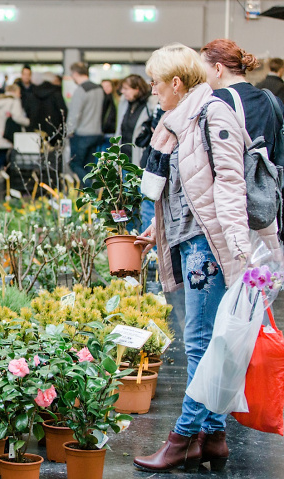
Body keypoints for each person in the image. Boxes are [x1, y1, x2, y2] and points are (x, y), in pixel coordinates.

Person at [132, 43, 279, 474]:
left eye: (157, 84)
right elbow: (185, 191)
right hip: (190, 242)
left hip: (209, 247)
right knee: (210, 341)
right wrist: (155, 230)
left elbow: (230, 184)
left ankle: (180, 439)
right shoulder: (180, 120)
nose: (153, 92)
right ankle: (211, 439)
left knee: (200, 342)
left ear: (177, 83)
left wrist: (239, 249)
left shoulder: (212, 115)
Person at [201, 39, 284, 166]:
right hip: (268, 182)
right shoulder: (272, 101)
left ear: (218, 68)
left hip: (229, 181)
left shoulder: (214, 101)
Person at [66, 62, 104, 186]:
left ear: (76, 73)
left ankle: (89, 189)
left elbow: (74, 114)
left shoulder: (81, 90)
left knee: (74, 164)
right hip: (96, 133)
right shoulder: (99, 89)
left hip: (82, 134)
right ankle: (89, 197)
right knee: (89, 166)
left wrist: (68, 131)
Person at [0, 83, 30, 183]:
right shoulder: (14, 101)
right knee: (4, 158)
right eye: (18, 92)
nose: (20, 95)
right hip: (7, 136)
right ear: (14, 92)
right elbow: (17, 117)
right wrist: (28, 122)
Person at [116, 74, 158, 166]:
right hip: (122, 158)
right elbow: (119, 130)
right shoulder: (124, 104)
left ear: (137, 89)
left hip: (139, 157)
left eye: (126, 89)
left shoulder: (150, 106)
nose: (123, 91)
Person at [34, 72, 68, 145]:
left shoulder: (34, 92)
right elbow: (63, 111)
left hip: (38, 130)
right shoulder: (56, 92)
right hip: (55, 130)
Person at [14, 65, 40, 132]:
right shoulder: (16, 88)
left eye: (28, 74)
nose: (26, 76)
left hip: (32, 121)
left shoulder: (35, 89)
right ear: (21, 75)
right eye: (25, 74)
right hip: (19, 121)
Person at [99, 79, 118, 153]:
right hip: (101, 132)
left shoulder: (117, 100)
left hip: (112, 131)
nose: (105, 88)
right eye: (103, 86)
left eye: (107, 86)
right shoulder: (99, 100)